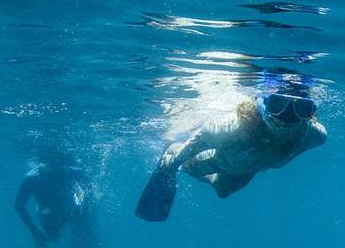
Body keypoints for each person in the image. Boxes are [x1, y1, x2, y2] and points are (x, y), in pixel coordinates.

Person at [136, 91, 327, 221]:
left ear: (310, 112)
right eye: (278, 104)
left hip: (249, 166)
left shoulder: (313, 136)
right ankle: (172, 149)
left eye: (301, 108)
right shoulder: (230, 128)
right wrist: (172, 163)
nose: (287, 117)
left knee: (223, 191)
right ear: (262, 105)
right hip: (219, 160)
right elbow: (198, 141)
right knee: (186, 166)